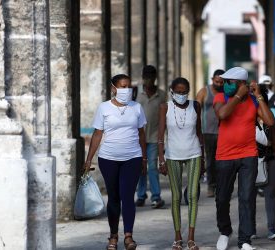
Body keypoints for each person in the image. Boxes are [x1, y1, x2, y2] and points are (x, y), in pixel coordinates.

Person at [213, 67, 275, 250]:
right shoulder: (220, 98)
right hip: (225, 155)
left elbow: (270, 122)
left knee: (247, 197)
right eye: (224, 82)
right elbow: (222, 114)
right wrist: (238, 96)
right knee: (222, 197)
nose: (225, 85)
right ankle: (225, 231)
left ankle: (245, 240)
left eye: (229, 82)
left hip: (248, 155)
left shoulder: (253, 102)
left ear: (240, 83)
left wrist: (258, 96)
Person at [84, 74, 147, 250]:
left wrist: (144, 158)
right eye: (122, 86)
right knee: (114, 197)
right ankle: (113, 236)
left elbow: (141, 133)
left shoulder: (137, 107)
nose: (126, 90)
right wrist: (89, 159)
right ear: (113, 88)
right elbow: (97, 134)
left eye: (128, 87)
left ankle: (128, 236)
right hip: (108, 158)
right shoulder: (104, 108)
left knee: (127, 197)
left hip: (132, 158)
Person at [158, 77, 205, 250]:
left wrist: (204, 157)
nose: (182, 95)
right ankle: (178, 237)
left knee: (193, 195)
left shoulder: (196, 106)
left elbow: (199, 132)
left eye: (185, 91)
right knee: (176, 197)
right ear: (171, 91)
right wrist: (161, 159)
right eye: (178, 92)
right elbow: (160, 135)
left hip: (194, 153)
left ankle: (191, 238)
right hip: (172, 155)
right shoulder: (165, 107)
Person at [251, 88, 275, 241]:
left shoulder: (269, 118)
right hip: (248, 161)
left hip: (269, 159)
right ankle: (250, 228)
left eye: (260, 101)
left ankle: (271, 229)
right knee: (248, 195)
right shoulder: (245, 118)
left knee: (270, 194)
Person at [135, 65, 166, 208]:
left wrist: (163, 138)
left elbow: (164, 117)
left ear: (155, 78)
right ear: (143, 78)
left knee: (152, 167)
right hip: (138, 138)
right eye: (146, 78)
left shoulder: (161, 95)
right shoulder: (137, 95)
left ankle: (156, 196)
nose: (148, 80)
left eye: (151, 77)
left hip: (154, 137)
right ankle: (141, 196)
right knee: (141, 167)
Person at [196, 69, 225, 197]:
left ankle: (221, 185)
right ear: (212, 79)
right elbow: (196, 109)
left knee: (222, 160)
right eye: (217, 81)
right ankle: (211, 186)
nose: (219, 84)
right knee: (210, 160)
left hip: (223, 132)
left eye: (221, 82)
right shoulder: (204, 91)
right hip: (207, 132)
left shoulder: (226, 93)